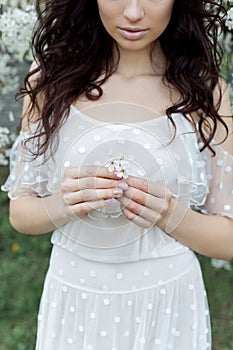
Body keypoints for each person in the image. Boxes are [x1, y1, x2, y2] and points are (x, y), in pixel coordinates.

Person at [2, 0, 233, 349]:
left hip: (168, 301)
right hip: (75, 296)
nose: (134, 12)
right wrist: (66, 203)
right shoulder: (51, 77)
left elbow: (227, 238)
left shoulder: (206, 90)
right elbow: (21, 213)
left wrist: (170, 214)